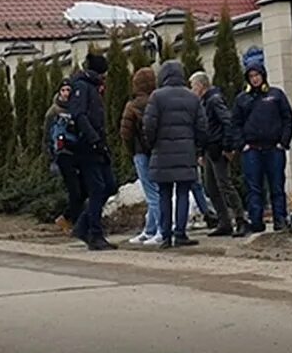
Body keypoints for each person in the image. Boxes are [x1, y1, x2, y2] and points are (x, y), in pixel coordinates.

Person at [143, 60, 207, 248]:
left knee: (164, 194)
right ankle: (180, 233)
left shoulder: (156, 97)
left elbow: (148, 125)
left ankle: (165, 235)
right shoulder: (192, 98)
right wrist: (196, 147)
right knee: (183, 193)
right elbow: (202, 127)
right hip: (186, 152)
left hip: (162, 152)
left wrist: (153, 143)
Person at [234, 47, 292, 233]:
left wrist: (283, 142)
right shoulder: (242, 99)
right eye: (251, 76)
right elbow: (234, 123)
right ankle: (256, 222)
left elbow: (288, 118)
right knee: (254, 189)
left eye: (257, 75)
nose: (255, 79)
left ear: (263, 75)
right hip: (251, 149)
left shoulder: (276, 95)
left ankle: (280, 219)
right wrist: (242, 144)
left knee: (277, 186)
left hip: (274, 149)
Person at [67, 53, 116, 251]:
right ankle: (95, 234)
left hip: (98, 145)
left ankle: (82, 226)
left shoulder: (93, 87)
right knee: (97, 189)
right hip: (87, 147)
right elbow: (79, 115)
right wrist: (93, 139)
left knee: (109, 186)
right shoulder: (82, 87)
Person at [190, 71, 247, 237]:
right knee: (211, 187)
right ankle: (224, 222)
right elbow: (202, 128)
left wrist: (228, 147)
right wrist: (201, 151)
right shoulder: (204, 102)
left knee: (225, 185)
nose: (192, 90)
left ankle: (240, 219)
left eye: (193, 86)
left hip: (218, 149)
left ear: (201, 86)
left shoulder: (214, 100)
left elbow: (227, 122)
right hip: (209, 149)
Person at [120, 67, 160, 245]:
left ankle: (160, 229)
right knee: (158, 191)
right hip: (157, 151)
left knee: (152, 193)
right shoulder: (158, 101)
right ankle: (150, 229)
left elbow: (125, 133)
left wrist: (132, 150)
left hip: (140, 152)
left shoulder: (133, 105)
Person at [44, 78, 83, 235]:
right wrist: (51, 158)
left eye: (69, 90)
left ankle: (66, 217)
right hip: (63, 154)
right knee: (74, 190)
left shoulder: (76, 109)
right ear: (59, 92)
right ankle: (74, 223)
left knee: (81, 188)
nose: (66, 93)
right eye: (63, 90)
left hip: (77, 152)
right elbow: (47, 137)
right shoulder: (53, 112)